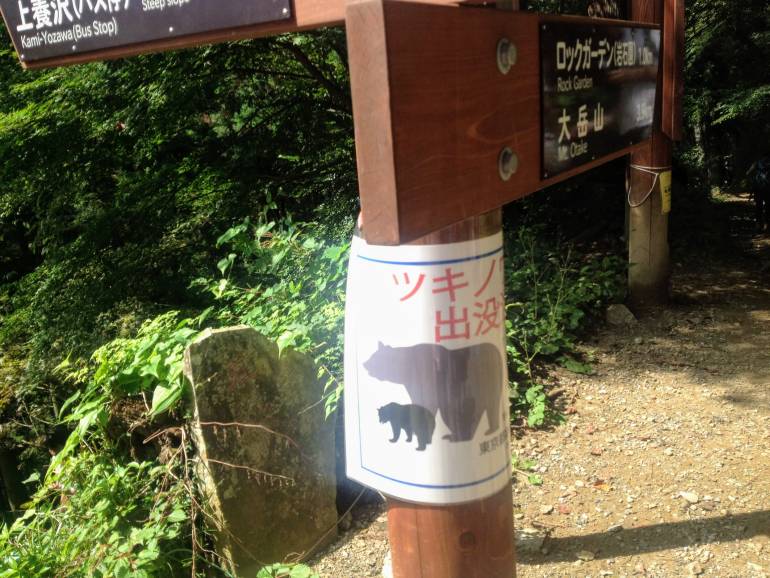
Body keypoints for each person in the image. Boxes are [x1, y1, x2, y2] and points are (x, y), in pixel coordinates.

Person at [749, 156, 770, 232]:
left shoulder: (757, 162)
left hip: (758, 189)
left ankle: (758, 224)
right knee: (768, 206)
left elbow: (748, 172)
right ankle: (767, 225)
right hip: (768, 188)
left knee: (758, 206)